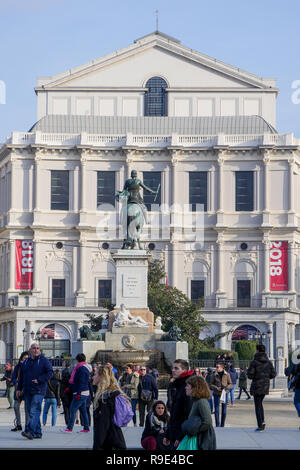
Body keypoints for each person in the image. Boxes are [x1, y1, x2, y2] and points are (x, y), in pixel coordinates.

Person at [16, 343, 53, 440]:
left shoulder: (44, 361)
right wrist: (19, 389)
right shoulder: (26, 362)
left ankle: (29, 431)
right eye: (34, 348)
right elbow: (21, 377)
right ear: (30, 350)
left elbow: (50, 372)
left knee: (34, 410)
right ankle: (38, 433)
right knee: (30, 411)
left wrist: (40, 379)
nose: (36, 350)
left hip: (39, 390)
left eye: (38, 348)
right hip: (28, 390)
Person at [92, 365, 127, 450]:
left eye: (95, 374)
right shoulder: (112, 394)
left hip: (109, 443)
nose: (93, 377)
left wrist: (97, 447)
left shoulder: (105, 398)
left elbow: (103, 425)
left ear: (102, 376)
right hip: (116, 438)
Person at [165, 359, 194, 449]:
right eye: (173, 368)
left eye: (176, 368)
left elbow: (188, 415)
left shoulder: (188, 387)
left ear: (184, 370)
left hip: (182, 436)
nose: (173, 370)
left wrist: (180, 436)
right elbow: (174, 414)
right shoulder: (177, 384)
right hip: (175, 433)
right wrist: (168, 434)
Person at [247, 344, 277, 432]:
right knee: (260, 404)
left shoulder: (254, 362)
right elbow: (273, 374)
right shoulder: (268, 362)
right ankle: (262, 422)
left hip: (257, 385)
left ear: (257, 350)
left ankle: (260, 424)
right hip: (265, 385)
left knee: (257, 405)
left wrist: (251, 374)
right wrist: (266, 378)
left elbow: (250, 375)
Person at [182, 376, 216, 450]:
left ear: (195, 387)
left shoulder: (201, 401)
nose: (185, 388)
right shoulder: (196, 401)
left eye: (187, 385)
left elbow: (207, 422)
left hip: (203, 439)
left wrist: (194, 431)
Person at [62, 353, 91, 433]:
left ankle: (69, 428)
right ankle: (86, 428)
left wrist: (78, 393)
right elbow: (78, 381)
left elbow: (81, 382)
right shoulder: (84, 368)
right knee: (83, 411)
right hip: (84, 392)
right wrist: (69, 388)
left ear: (77, 360)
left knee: (72, 409)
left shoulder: (81, 369)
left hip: (80, 393)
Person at [11, 351, 29, 432]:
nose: (25, 360)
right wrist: (16, 382)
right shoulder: (18, 366)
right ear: (21, 358)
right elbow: (13, 377)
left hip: (26, 389)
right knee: (15, 406)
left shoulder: (30, 366)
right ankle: (18, 424)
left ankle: (27, 426)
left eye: (27, 358)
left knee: (27, 408)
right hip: (18, 388)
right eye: (24, 358)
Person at [210, 362, 232, 427]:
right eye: (216, 367)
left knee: (224, 410)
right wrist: (216, 387)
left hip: (224, 394)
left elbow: (230, 383)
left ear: (222, 367)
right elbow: (210, 384)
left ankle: (222, 425)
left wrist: (226, 388)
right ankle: (217, 424)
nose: (216, 368)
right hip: (216, 393)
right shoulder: (214, 374)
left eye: (217, 367)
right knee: (216, 409)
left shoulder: (227, 374)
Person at [289, 356, 300, 427]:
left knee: (297, 401)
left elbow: (291, 375)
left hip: (299, 386)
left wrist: (291, 383)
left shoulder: (297, 365)